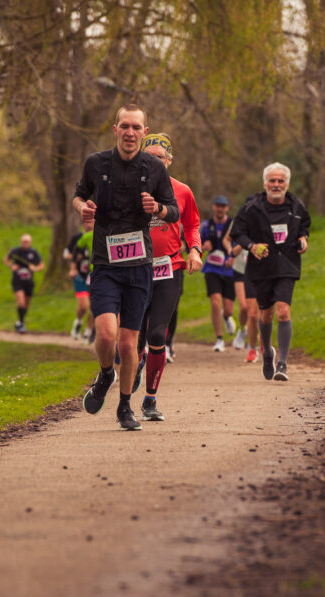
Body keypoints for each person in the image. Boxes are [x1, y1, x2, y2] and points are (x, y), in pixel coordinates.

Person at [71, 104, 179, 431]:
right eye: (125, 126)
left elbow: (174, 211)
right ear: (115, 129)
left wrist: (158, 208)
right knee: (105, 334)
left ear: (144, 133)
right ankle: (106, 374)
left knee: (129, 344)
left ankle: (124, 406)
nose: (130, 132)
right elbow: (77, 196)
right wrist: (83, 209)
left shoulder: (154, 168)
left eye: (136, 127)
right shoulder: (96, 163)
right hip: (105, 262)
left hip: (139, 265)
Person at [133, 132, 202, 421]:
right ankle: (133, 366)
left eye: (159, 158)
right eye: (149, 157)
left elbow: (192, 224)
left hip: (170, 268)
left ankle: (150, 400)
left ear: (169, 161)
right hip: (135, 268)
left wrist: (195, 251)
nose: (154, 162)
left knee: (157, 334)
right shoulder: (131, 189)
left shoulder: (182, 191)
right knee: (133, 339)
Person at [230, 162, 311, 381]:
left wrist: (303, 238)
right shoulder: (252, 208)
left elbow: (305, 225)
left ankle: (282, 363)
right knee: (266, 314)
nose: (276, 185)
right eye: (272, 181)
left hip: (287, 265)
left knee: (284, 310)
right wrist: (252, 246)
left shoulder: (296, 206)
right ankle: (267, 352)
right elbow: (238, 232)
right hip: (262, 267)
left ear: (287, 183)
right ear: (265, 183)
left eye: (280, 181)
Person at [223, 205, 261, 362]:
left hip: (258, 270)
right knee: (244, 307)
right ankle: (242, 330)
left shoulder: (263, 221)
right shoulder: (239, 221)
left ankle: (258, 343)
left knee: (256, 312)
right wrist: (233, 251)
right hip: (240, 268)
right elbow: (227, 239)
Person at [200, 195, 238, 352]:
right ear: (213, 207)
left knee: (228, 309)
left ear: (227, 208)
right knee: (215, 303)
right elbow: (194, 246)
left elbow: (239, 244)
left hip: (229, 270)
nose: (220, 209)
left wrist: (233, 258)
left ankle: (227, 316)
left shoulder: (233, 225)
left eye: (223, 206)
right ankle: (219, 339)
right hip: (212, 269)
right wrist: (203, 247)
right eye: (217, 206)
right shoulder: (206, 226)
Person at [3, 233, 44, 333]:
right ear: (21, 242)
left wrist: (35, 268)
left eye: (27, 242)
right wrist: (11, 266)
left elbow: (41, 265)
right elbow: (6, 259)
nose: (25, 243)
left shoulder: (34, 253)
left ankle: (19, 322)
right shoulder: (15, 251)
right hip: (18, 282)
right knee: (20, 302)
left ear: (30, 242)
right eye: (23, 241)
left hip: (29, 282)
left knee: (26, 304)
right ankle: (21, 323)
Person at [65, 221, 94, 340]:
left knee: (94, 307)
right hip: (81, 276)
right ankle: (78, 322)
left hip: (94, 275)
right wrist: (73, 267)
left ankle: (88, 330)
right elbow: (66, 253)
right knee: (84, 306)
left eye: (92, 222)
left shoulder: (99, 235)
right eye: (86, 222)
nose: (89, 224)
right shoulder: (78, 238)